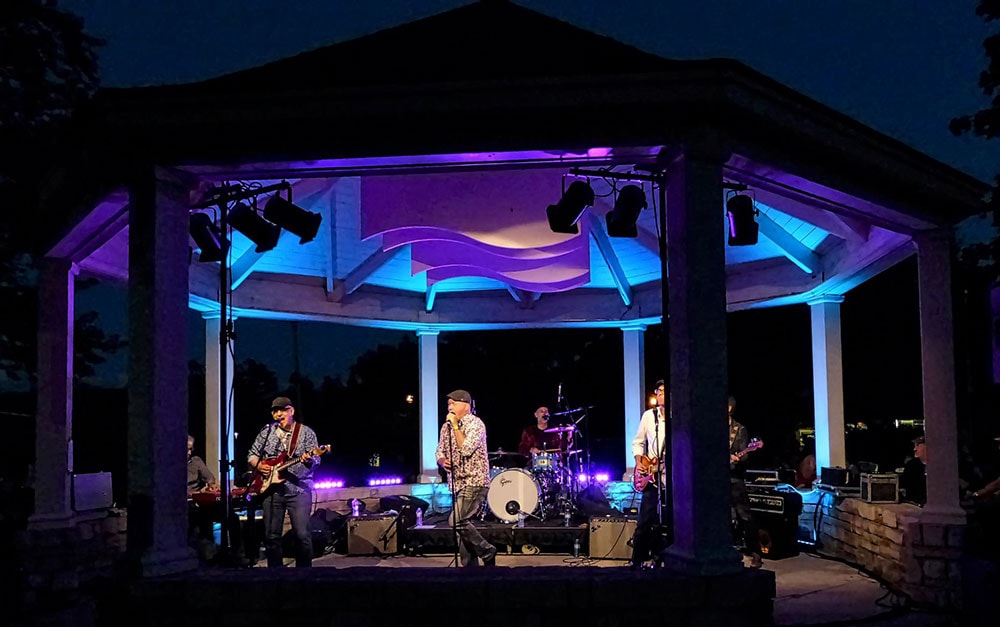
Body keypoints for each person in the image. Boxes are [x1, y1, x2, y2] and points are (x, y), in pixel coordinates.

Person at [247, 396, 323, 568]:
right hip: (271, 491)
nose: (278, 414)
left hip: (298, 490)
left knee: (302, 535)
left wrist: (307, 460)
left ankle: (304, 574)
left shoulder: (305, 433)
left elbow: (316, 460)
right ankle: (276, 574)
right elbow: (251, 454)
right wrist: (259, 465)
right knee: (271, 536)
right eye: (275, 411)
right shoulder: (266, 432)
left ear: (291, 411)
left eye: (282, 410)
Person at [435, 389, 497, 567]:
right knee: (460, 528)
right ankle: (470, 568)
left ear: (466, 405)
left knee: (456, 520)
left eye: (453, 403)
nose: (450, 407)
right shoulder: (446, 427)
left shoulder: (476, 424)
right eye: (448, 404)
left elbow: (466, 449)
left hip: (475, 480)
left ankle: (487, 550)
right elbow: (439, 450)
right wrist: (442, 460)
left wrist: (455, 426)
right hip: (458, 482)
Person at [629, 379, 670, 569]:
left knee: (669, 520)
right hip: (651, 476)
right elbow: (638, 441)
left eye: (664, 391)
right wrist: (639, 463)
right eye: (658, 391)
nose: (660, 394)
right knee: (644, 520)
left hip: (670, 478)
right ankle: (636, 560)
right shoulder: (649, 416)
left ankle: (665, 558)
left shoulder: (678, 417)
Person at [728, 395, 763, 569]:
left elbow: (746, 453)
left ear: (728, 409)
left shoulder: (739, 429)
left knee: (744, 515)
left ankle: (756, 553)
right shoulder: (714, 429)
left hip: (735, 478)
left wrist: (738, 458)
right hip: (718, 479)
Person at [186, 434, 219, 558]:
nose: (189, 452)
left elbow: (210, 477)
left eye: (191, 449)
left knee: (231, 517)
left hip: (199, 501)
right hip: (184, 503)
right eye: (187, 449)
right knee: (197, 516)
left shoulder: (196, 461)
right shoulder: (172, 465)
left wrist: (211, 485)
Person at [900, 435, 928, 505]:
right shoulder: (912, 465)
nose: (914, 449)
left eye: (917, 445)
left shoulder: (940, 467)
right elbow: (903, 484)